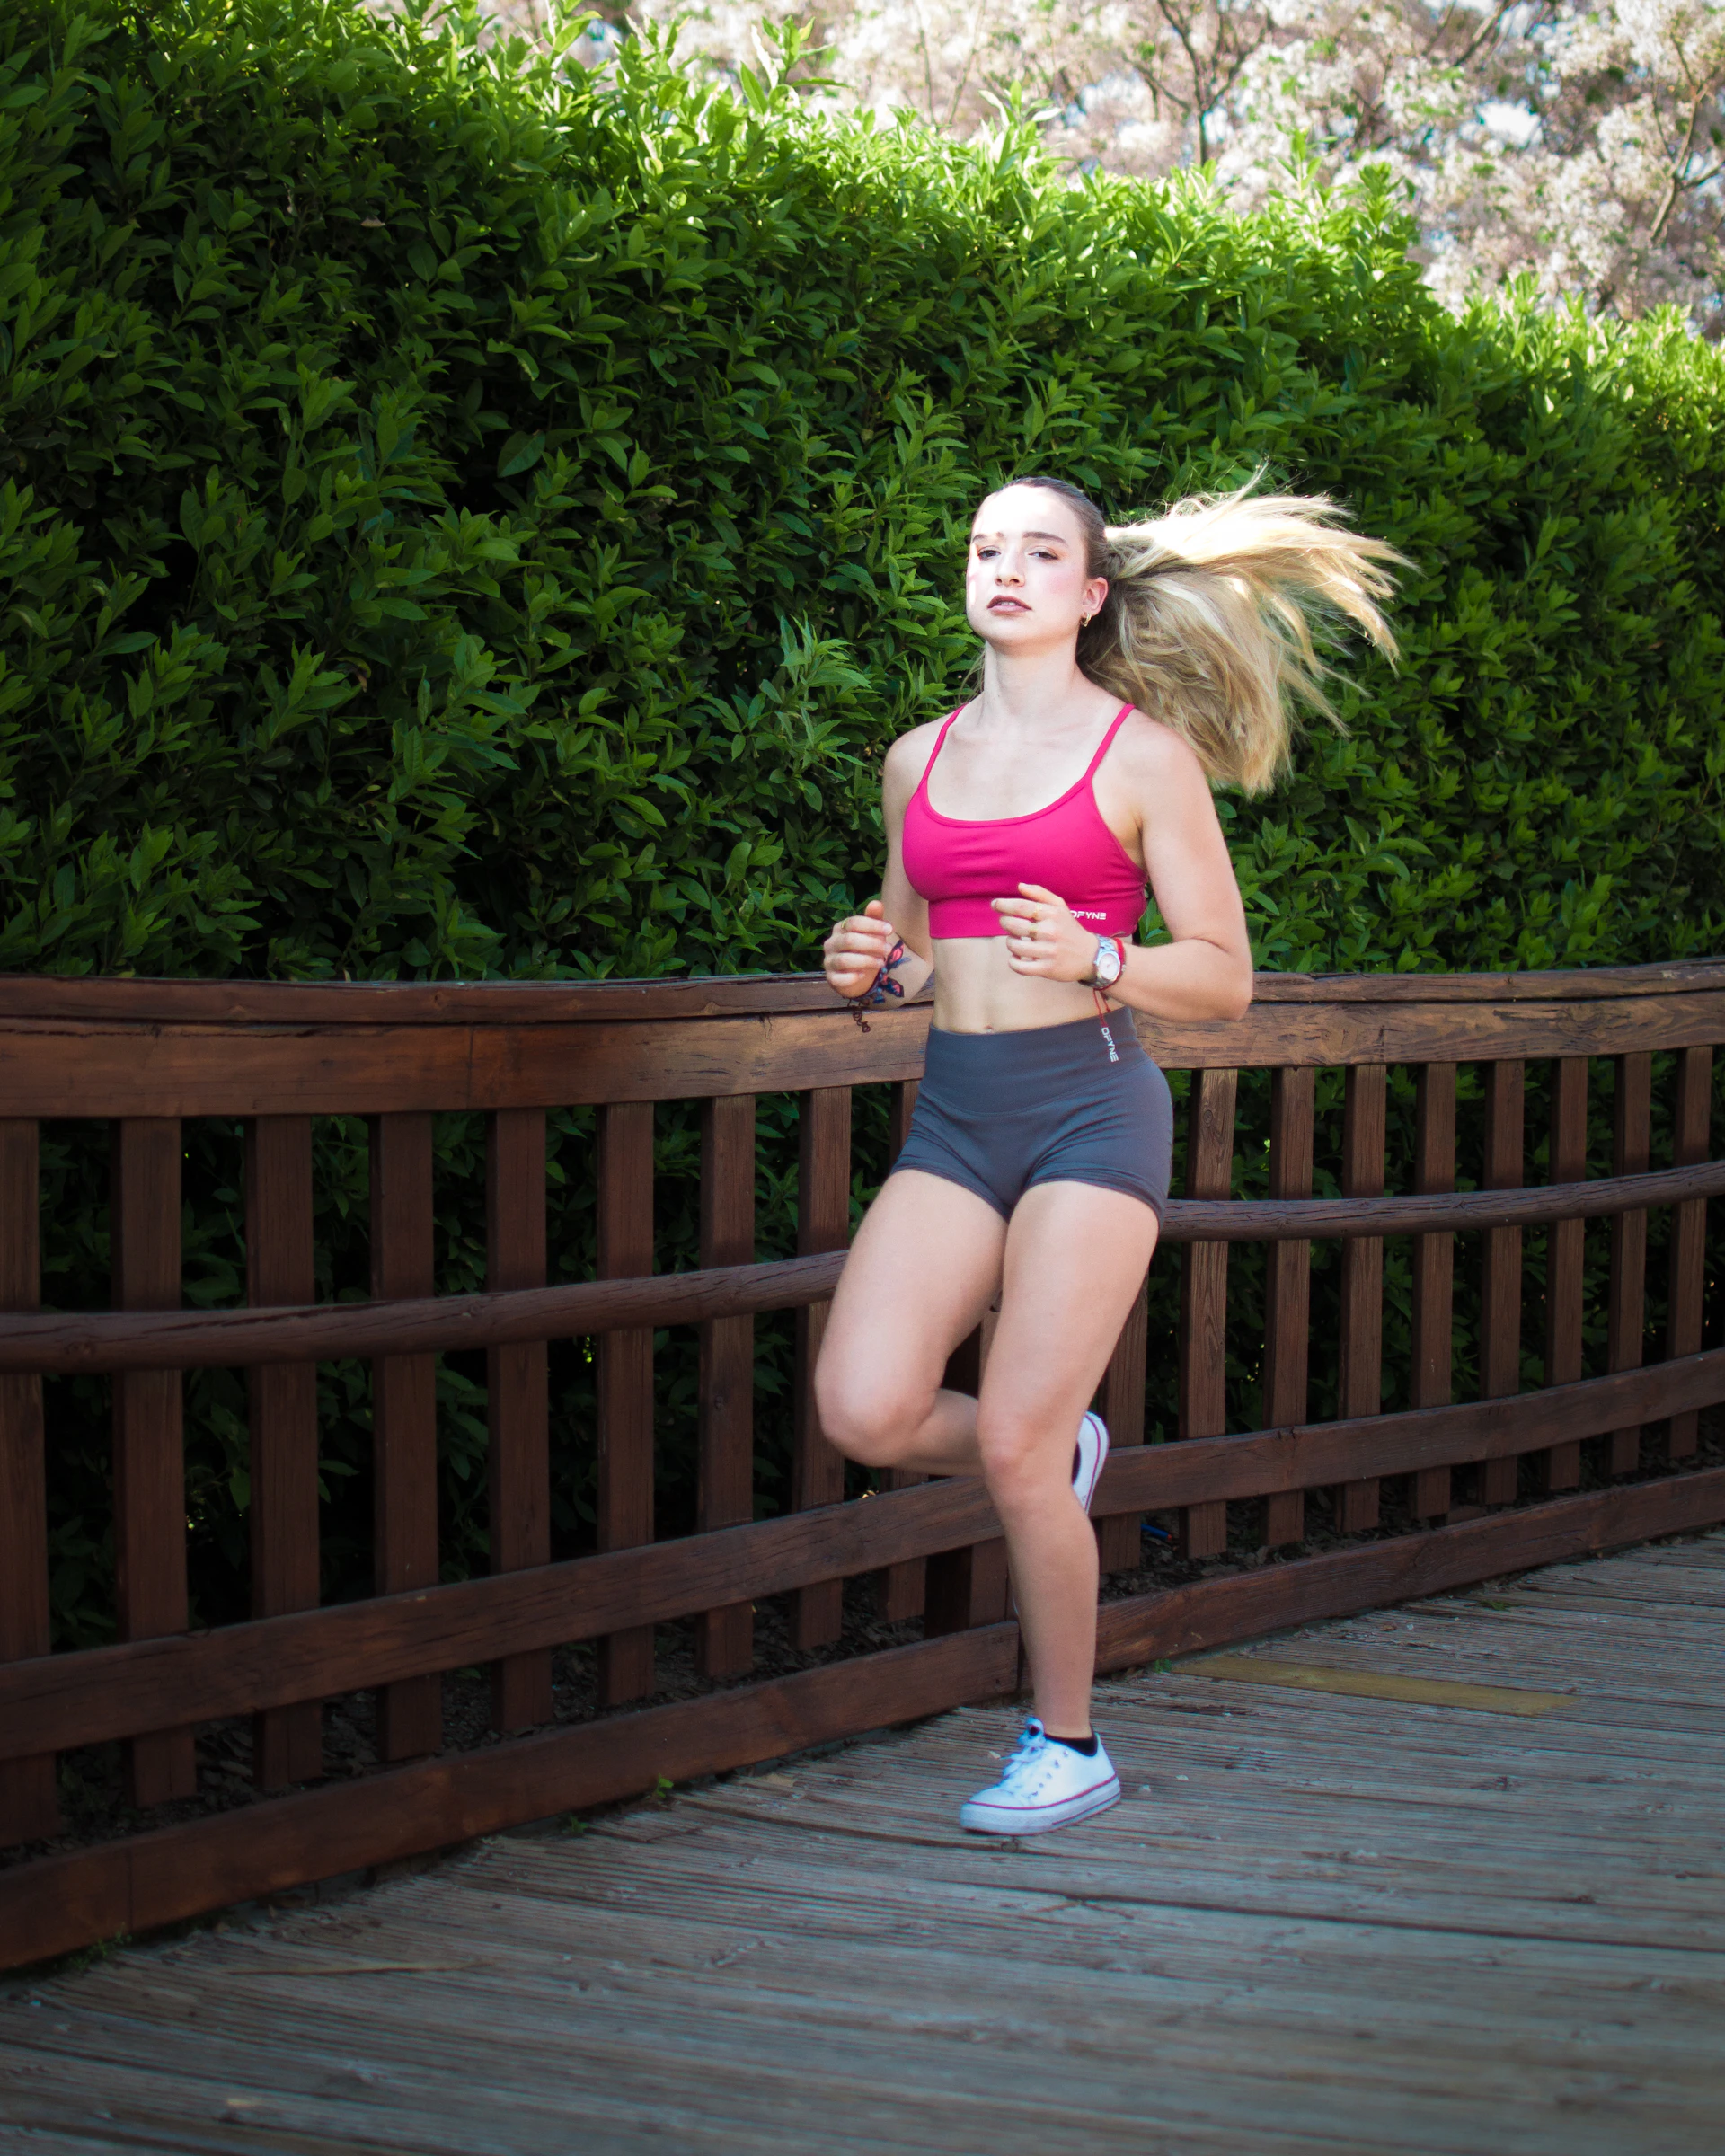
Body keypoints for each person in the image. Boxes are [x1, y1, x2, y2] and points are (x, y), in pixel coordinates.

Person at [816, 473, 1402, 1835]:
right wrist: (869, 964)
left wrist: (1102, 956)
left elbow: (1226, 979)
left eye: (1037, 551)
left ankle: (1066, 1741)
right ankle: (1057, 1449)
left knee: (1012, 1441)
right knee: (867, 1406)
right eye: (982, 547)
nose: (1002, 567)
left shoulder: (1142, 758)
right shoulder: (918, 757)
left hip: (1089, 1110)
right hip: (958, 1116)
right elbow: (911, 951)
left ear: (1090, 595)